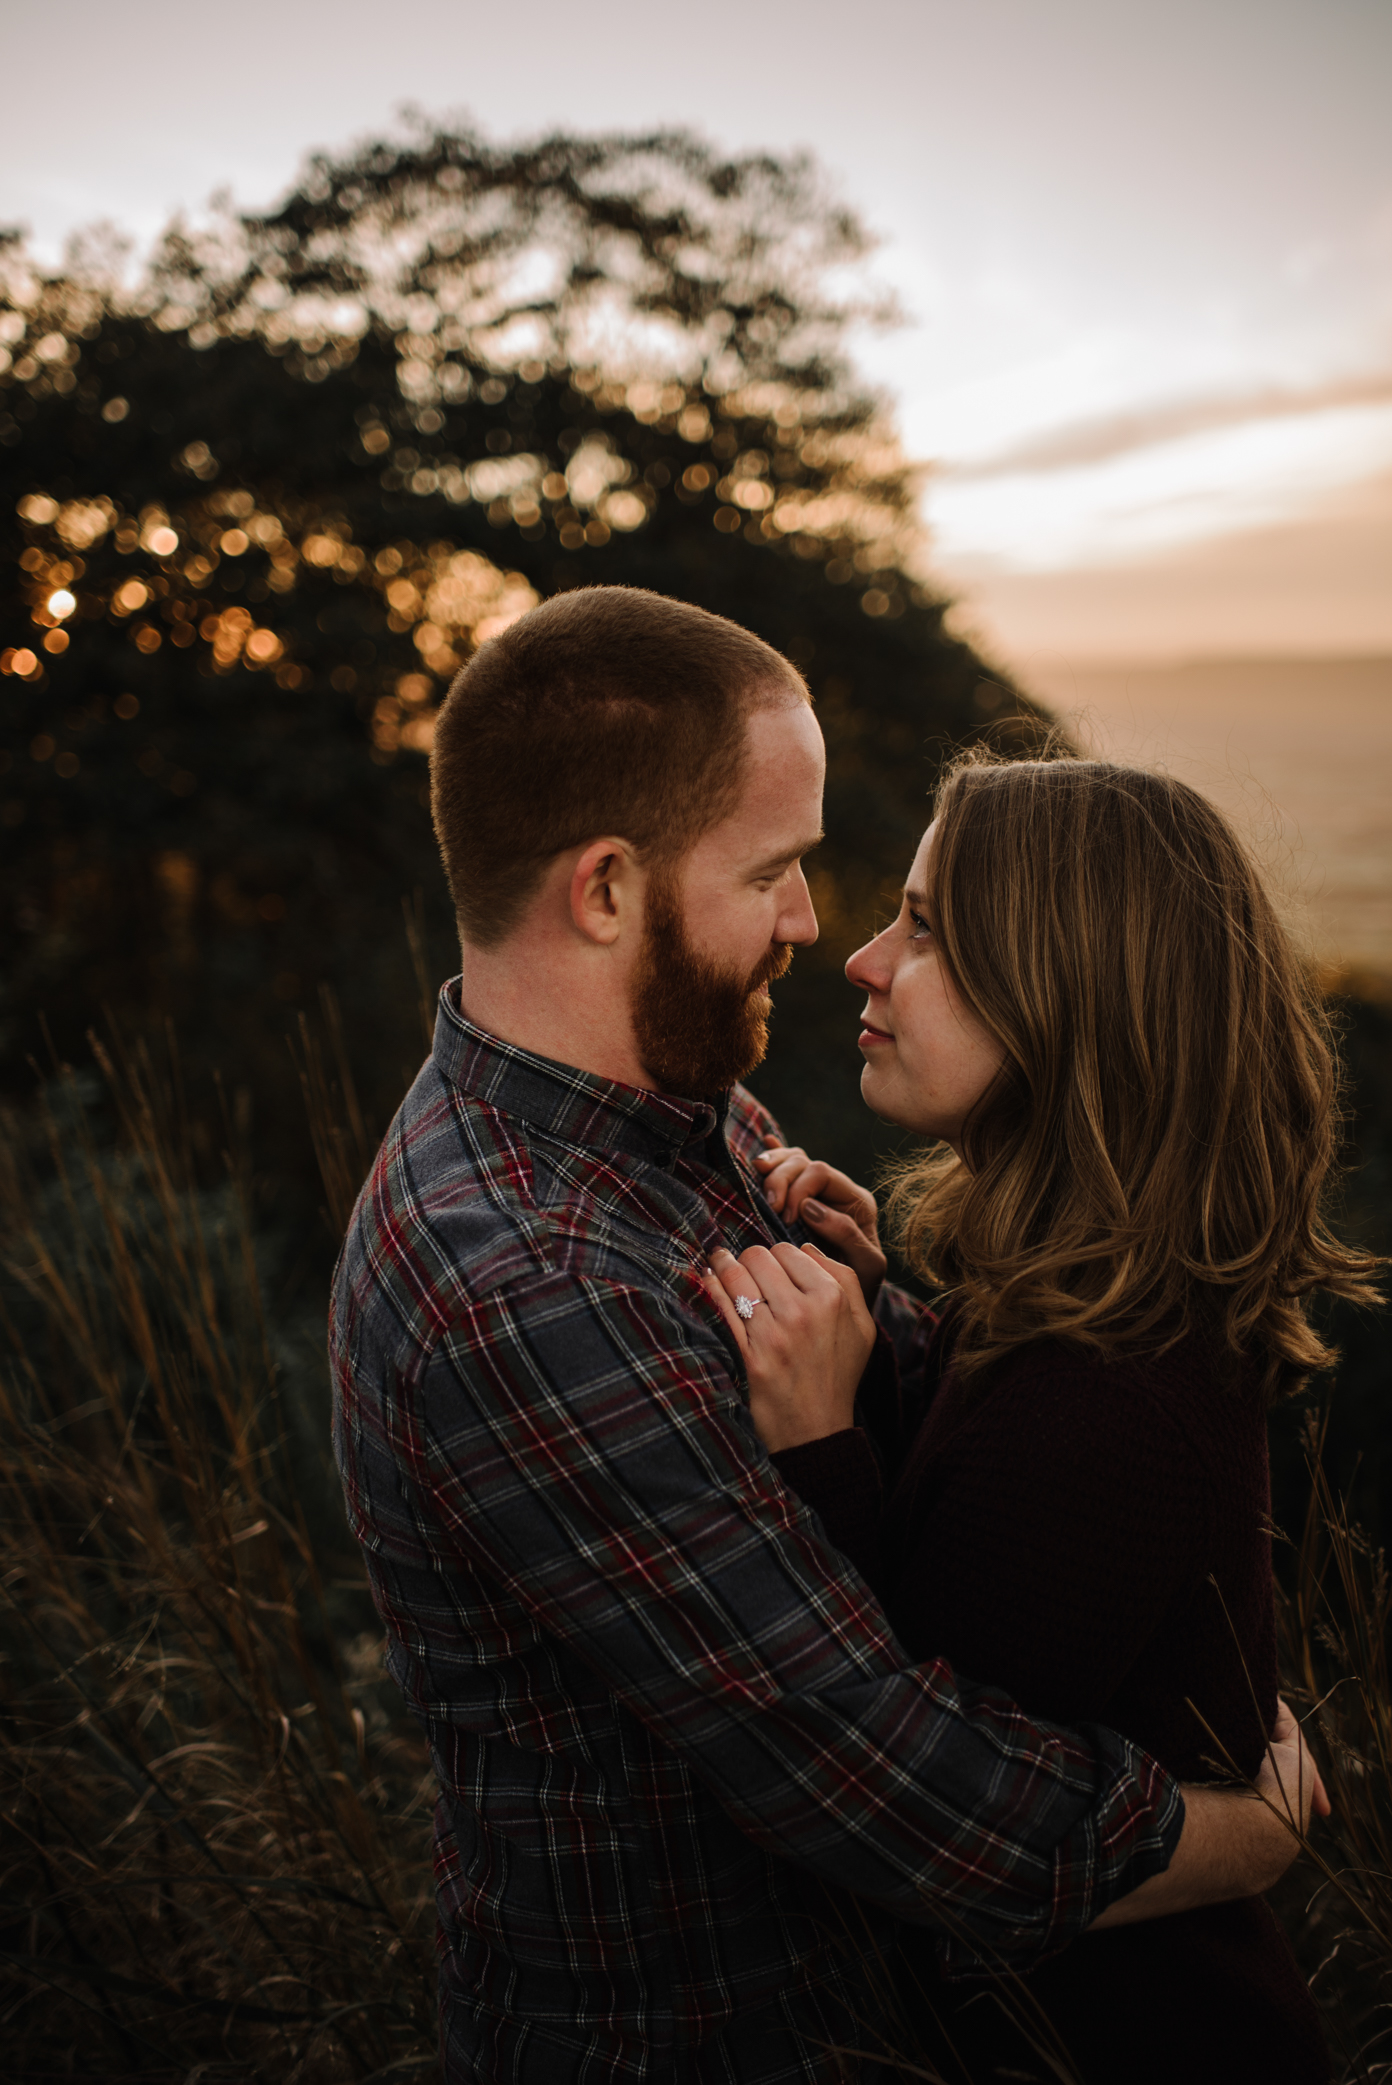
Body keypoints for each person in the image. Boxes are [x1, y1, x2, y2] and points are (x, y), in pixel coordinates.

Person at [330, 590, 1322, 2084]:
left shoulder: (679, 1107)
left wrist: (889, 1322)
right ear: (605, 888)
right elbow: (893, 1783)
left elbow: (999, 1497)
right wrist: (1234, 1829)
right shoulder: (529, 1282)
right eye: (775, 871)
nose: (815, 925)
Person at [709, 750, 1374, 2083]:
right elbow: (992, 1552)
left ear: (1072, 989)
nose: (863, 959)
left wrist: (824, 1444)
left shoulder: (1113, 1394)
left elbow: (917, 1797)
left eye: (930, 930)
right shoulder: (1077, 1309)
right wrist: (890, 1331)